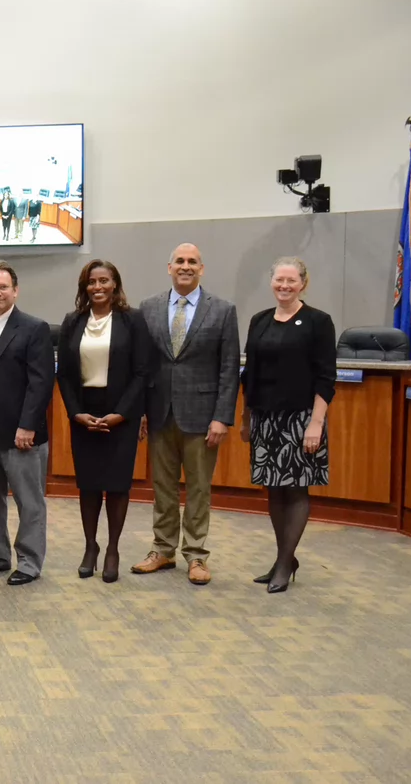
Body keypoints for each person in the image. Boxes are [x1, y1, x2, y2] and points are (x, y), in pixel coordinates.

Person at [133, 243, 240, 585]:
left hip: (202, 416)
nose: (185, 266)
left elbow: (228, 369)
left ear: (202, 269)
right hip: (159, 413)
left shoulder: (222, 310)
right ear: (169, 268)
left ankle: (196, 555)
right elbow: (142, 366)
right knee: (162, 487)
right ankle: (163, 550)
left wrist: (222, 417)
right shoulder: (148, 308)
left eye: (192, 261)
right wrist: (140, 411)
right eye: (179, 261)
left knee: (198, 489)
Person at [240, 257, 336, 593]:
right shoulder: (260, 321)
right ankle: (285, 557)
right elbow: (249, 373)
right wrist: (246, 417)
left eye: (291, 281)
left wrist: (316, 424)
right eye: (279, 280)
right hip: (265, 418)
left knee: (296, 488)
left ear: (303, 284)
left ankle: (284, 562)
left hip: (301, 420)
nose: (284, 286)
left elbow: (326, 378)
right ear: (272, 282)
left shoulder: (317, 322)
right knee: (274, 489)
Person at [56, 261, 151, 583]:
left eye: (104, 281)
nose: (98, 287)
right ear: (84, 287)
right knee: (89, 485)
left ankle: (112, 549)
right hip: (84, 412)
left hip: (121, 414)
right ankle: (90, 547)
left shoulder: (133, 320)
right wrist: (75, 413)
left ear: (115, 284)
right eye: (91, 282)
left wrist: (123, 413)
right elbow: (65, 374)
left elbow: (142, 372)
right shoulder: (73, 321)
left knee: (117, 485)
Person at [0, 261, 54, 585]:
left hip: (21, 433)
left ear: (15, 290)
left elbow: (41, 383)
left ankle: (29, 562)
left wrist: (28, 425)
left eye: (4, 287)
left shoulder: (34, 328)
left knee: (29, 501)